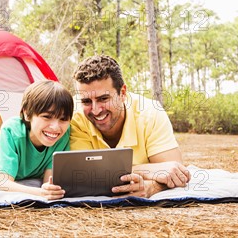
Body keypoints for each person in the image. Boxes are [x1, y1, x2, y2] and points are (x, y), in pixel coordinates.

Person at [70, 54, 191, 197]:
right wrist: (148, 171)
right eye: (86, 101)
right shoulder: (75, 117)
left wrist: (151, 187)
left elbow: (175, 172)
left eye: (103, 98)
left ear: (122, 93)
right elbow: (83, 174)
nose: (95, 110)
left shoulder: (150, 113)